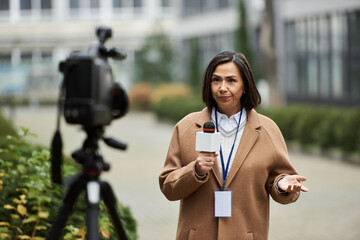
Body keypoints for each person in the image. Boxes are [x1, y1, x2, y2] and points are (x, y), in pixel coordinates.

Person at [159, 51, 308, 240]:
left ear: (245, 85)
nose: (222, 88)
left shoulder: (267, 129)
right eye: (216, 80)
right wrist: (195, 171)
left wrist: (280, 184)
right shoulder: (186, 127)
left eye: (231, 80)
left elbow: (279, 179)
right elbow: (168, 186)